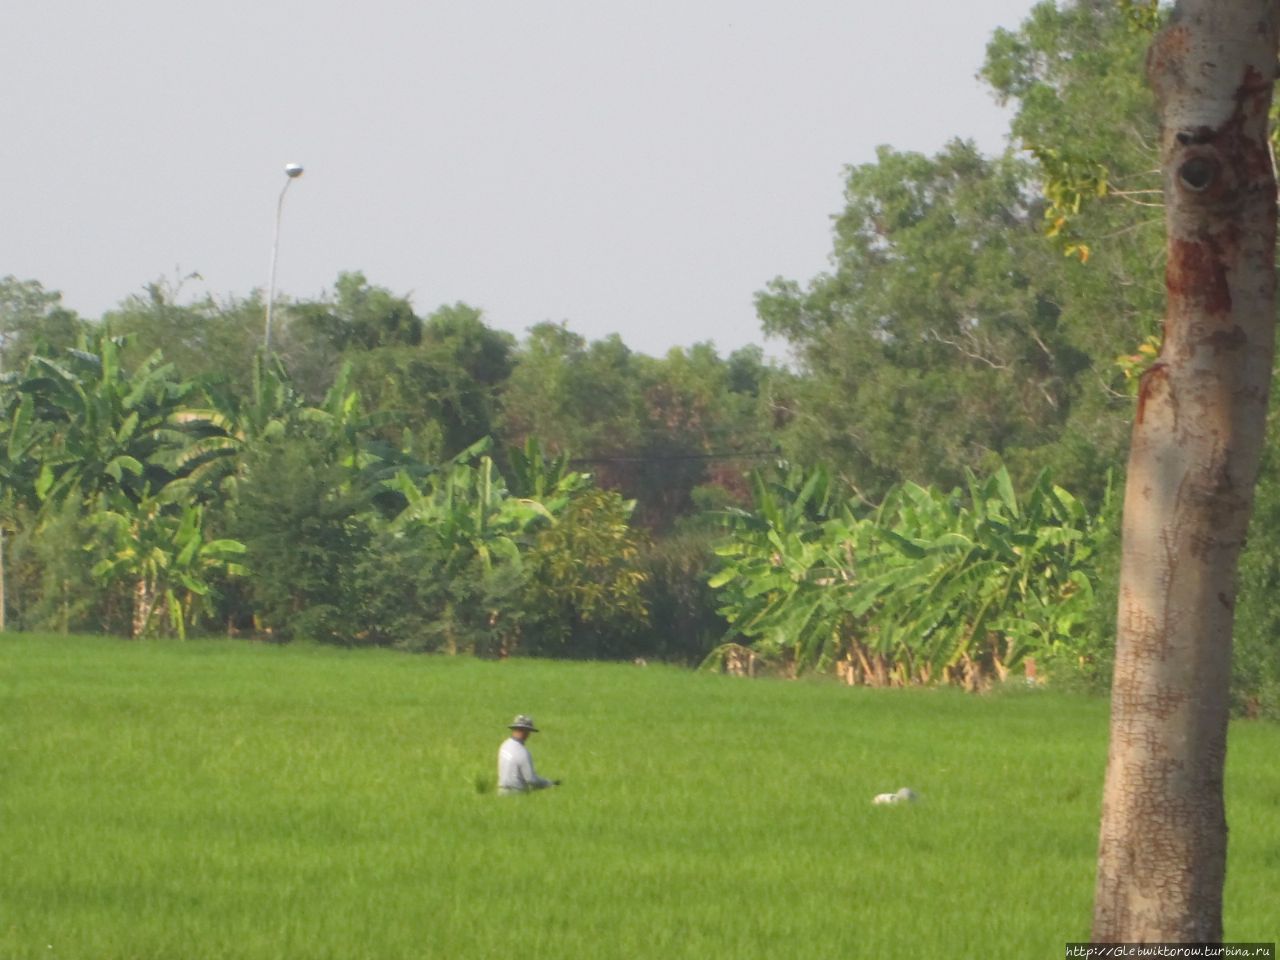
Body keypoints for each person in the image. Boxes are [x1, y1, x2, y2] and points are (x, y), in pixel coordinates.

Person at [496, 715, 560, 795]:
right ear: (525, 731)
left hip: (501, 792)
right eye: (529, 731)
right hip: (516, 794)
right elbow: (531, 780)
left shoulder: (504, 746)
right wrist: (549, 783)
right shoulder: (522, 752)